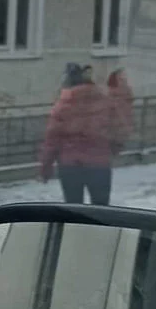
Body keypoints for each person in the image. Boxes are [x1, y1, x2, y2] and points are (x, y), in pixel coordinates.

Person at [39, 63, 115, 205]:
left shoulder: (62, 106)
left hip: (70, 166)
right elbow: (118, 129)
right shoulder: (105, 102)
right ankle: (100, 227)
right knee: (102, 210)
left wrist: (46, 168)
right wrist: (113, 149)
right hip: (99, 165)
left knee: (74, 208)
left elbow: (52, 139)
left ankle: (75, 227)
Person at [107, 68, 134, 154]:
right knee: (120, 133)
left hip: (117, 114)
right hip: (122, 114)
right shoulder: (124, 86)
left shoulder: (111, 88)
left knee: (116, 133)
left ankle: (115, 148)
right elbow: (131, 97)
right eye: (123, 74)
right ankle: (117, 148)